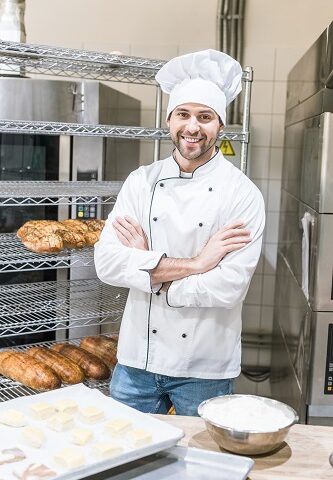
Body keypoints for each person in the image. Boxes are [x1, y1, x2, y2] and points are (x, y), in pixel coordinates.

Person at [94, 49, 265, 416]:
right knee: (127, 461)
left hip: (204, 365)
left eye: (205, 117)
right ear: (170, 120)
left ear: (220, 126)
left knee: (201, 466)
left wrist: (150, 273)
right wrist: (200, 262)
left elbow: (229, 287)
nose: (193, 127)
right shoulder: (141, 182)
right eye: (183, 115)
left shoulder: (242, 194)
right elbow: (107, 264)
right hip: (137, 359)